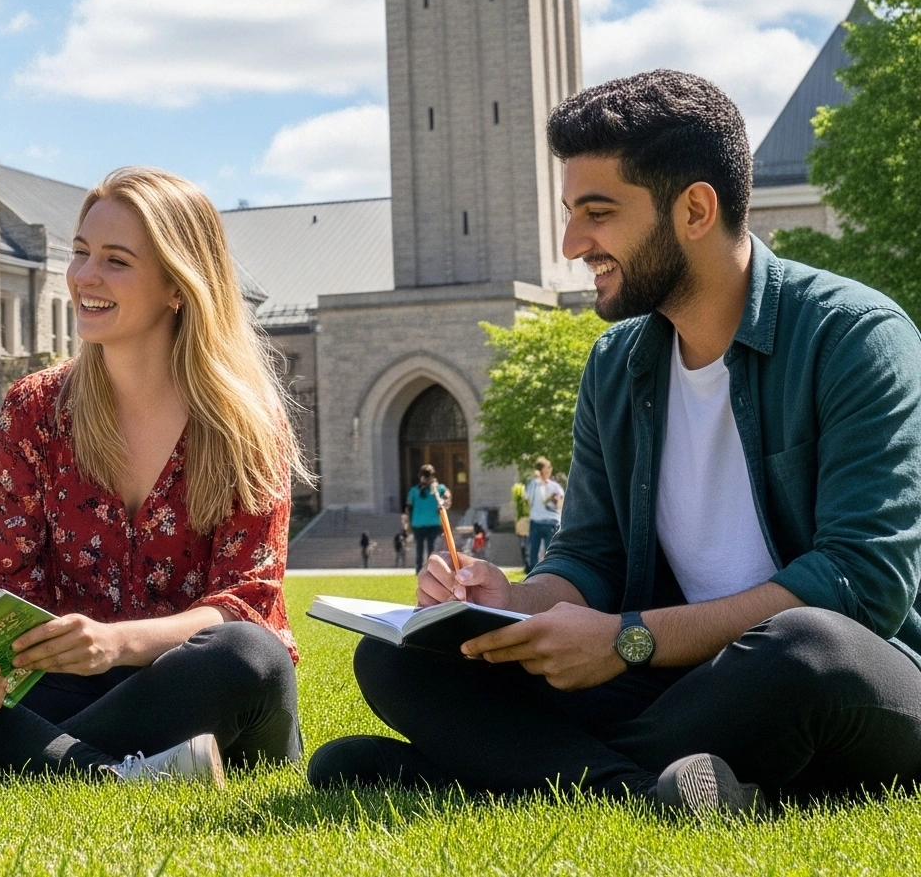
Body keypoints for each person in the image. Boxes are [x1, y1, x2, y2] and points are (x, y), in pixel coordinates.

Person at [311, 70, 921, 817]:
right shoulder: (617, 362)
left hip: (834, 676)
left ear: (696, 208)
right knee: (401, 655)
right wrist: (511, 601)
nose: (572, 243)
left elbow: (863, 583)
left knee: (804, 648)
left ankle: (490, 769)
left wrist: (627, 640)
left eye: (597, 213)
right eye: (570, 213)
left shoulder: (855, 336)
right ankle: (643, 791)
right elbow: (590, 555)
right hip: (677, 680)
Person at [0, 167, 306, 787]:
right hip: (62, 688)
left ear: (177, 286)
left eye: (116, 261)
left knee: (250, 657)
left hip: (191, 688)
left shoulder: (245, 421)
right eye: (80, 254)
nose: (84, 277)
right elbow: (7, 582)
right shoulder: (36, 409)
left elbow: (246, 603)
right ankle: (109, 772)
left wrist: (117, 643)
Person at [524, 457, 566, 571]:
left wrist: (554, 500)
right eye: (547, 467)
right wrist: (538, 481)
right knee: (534, 554)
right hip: (536, 522)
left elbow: (561, 504)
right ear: (540, 470)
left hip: (552, 523)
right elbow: (528, 499)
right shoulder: (533, 485)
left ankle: (550, 575)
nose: (550, 469)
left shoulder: (554, 486)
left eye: (550, 467)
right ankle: (532, 578)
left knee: (550, 555)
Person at [405, 465, 448, 572]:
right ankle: (419, 568)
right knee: (420, 547)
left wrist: (441, 498)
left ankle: (429, 569)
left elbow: (447, 498)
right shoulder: (415, 490)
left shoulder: (439, 489)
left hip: (432, 523)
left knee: (431, 547)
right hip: (419, 523)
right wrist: (407, 524)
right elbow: (409, 507)